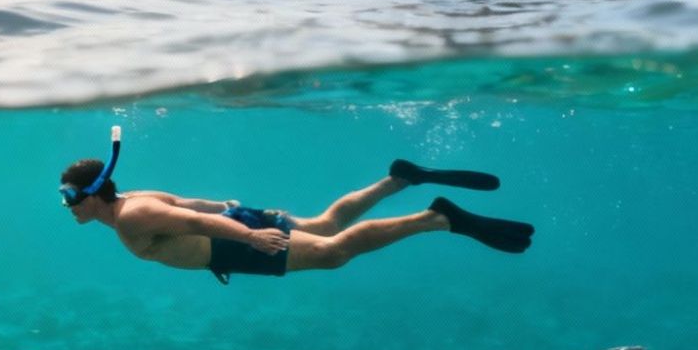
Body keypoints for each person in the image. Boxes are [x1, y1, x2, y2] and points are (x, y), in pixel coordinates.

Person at [59, 128, 534, 283]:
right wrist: (236, 210)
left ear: (90, 191)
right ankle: (399, 180)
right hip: (235, 226)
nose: (67, 207)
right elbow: (193, 202)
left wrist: (248, 235)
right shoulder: (137, 196)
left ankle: (437, 218)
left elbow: (193, 218)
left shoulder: (131, 215)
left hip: (233, 243)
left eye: (68, 197)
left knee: (333, 253)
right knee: (325, 224)